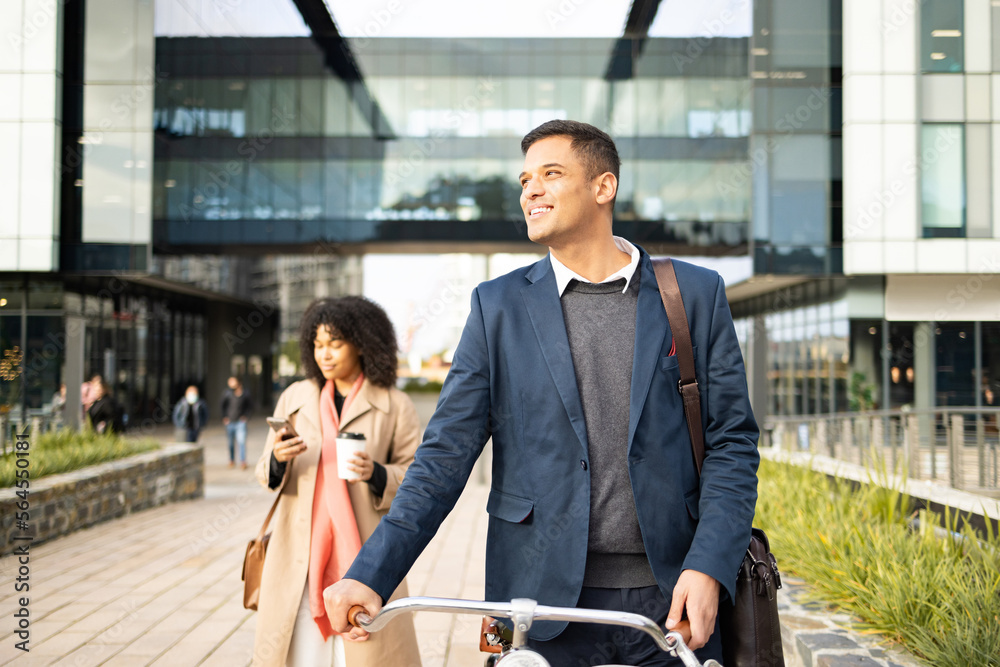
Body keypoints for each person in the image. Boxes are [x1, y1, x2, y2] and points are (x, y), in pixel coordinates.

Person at [324, 120, 759, 666]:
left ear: (603, 187)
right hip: (534, 605)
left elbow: (732, 443)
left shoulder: (693, 294)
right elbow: (443, 458)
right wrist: (371, 574)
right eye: (525, 178)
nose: (530, 189)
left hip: (672, 601)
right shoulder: (497, 307)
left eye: (551, 174)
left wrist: (710, 565)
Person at [251, 296, 422, 667]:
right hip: (299, 550)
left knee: (366, 650)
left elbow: (419, 476)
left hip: (367, 549)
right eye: (317, 345)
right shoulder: (295, 397)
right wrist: (279, 459)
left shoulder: (394, 404)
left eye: (335, 343)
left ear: (361, 344)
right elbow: (265, 470)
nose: (323, 355)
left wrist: (376, 473)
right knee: (298, 648)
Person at [221, 376, 253, 469]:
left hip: (240, 422)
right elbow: (222, 405)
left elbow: (250, 406)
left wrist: (246, 416)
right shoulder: (227, 393)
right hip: (230, 422)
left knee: (241, 441)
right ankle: (231, 460)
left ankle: (243, 461)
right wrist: (224, 417)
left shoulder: (245, 394)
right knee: (230, 443)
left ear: (239, 382)